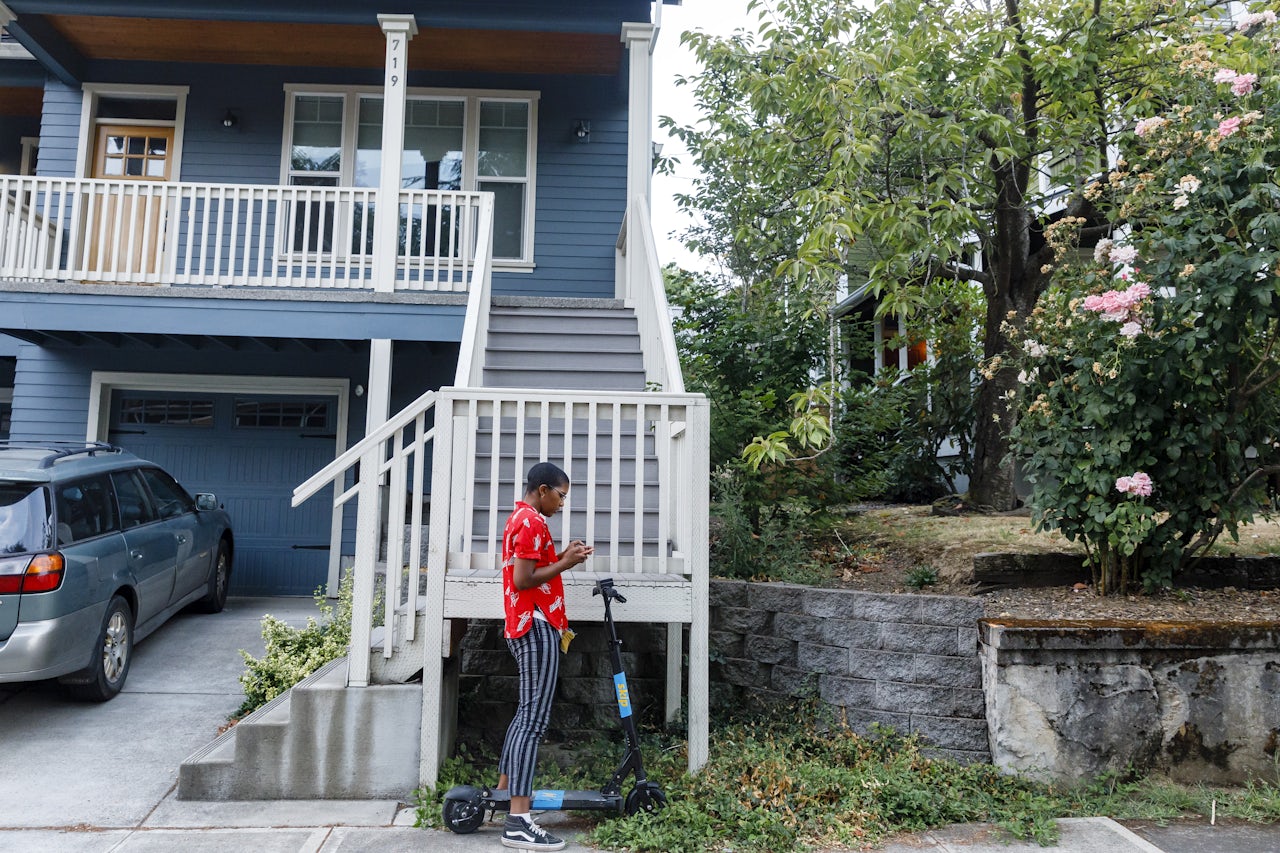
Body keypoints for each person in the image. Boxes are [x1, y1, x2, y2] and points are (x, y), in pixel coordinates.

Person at [495, 462, 593, 850]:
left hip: (526, 623)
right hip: (535, 626)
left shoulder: (522, 518)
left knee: (525, 716)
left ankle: (503, 796)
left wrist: (564, 555)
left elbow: (531, 569)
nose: (562, 503)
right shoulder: (532, 522)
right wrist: (566, 563)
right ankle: (518, 821)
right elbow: (523, 580)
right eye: (561, 495)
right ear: (542, 490)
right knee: (533, 722)